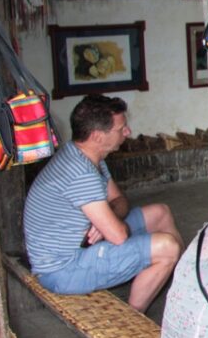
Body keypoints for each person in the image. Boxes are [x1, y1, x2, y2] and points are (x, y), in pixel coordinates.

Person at [22, 94, 182, 313]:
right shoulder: (80, 173)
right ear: (97, 136)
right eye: (121, 128)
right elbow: (118, 235)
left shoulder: (87, 156)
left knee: (160, 212)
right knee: (167, 247)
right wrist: (109, 224)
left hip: (82, 244)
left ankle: (183, 283)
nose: (128, 132)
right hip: (64, 270)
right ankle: (134, 317)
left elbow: (119, 200)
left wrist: (105, 219)